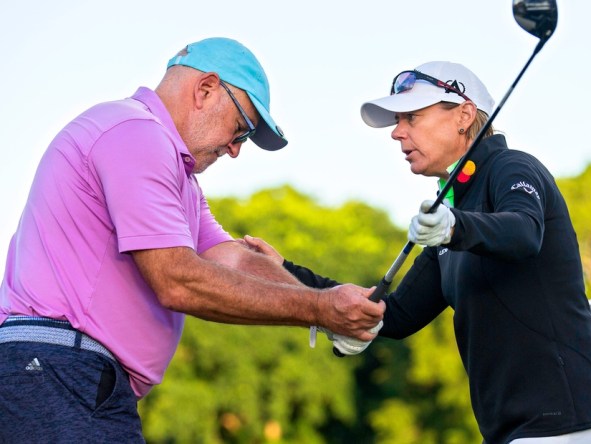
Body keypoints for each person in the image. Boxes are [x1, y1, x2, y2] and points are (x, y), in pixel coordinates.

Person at [0, 37, 384, 442]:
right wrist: (321, 308)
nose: (236, 150)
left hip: (70, 376)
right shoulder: (136, 134)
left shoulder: (178, 174)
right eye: (241, 130)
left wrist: (331, 307)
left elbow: (230, 258)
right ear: (205, 89)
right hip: (59, 370)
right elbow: (177, 280)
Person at [247, 61, 591, 443]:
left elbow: (525, 232)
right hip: (511, 427)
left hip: (565, 420)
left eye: (411, 117)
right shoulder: (450, 207)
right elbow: (395, 315)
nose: (396, 132)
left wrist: (454, 226)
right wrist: (287, 274)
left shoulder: (512, 168)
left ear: (464, 114)